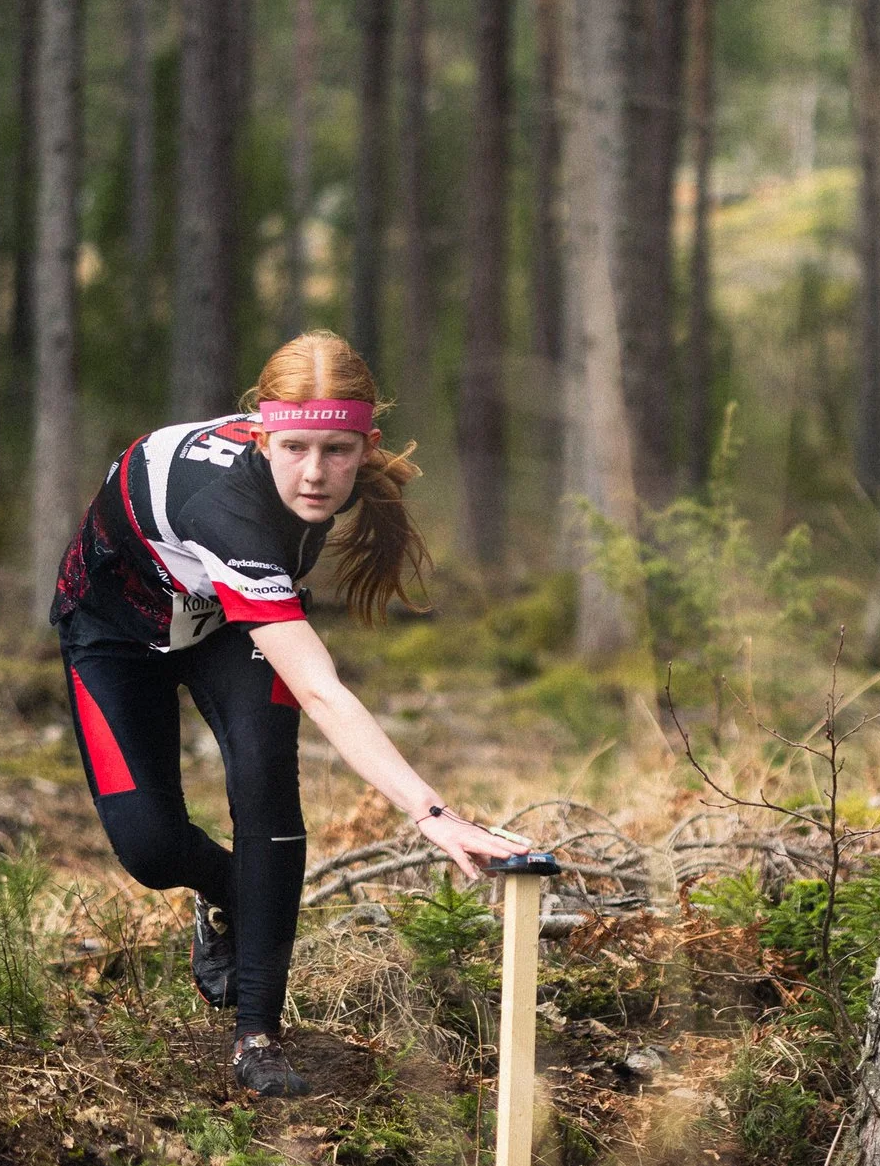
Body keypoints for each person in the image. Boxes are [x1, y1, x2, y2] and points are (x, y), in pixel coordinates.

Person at [48, 330, 528, 1097]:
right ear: (263, 435)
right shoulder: (227, 506)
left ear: (366, 446)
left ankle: (256, 1035)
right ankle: (230, 893)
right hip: (113, 632)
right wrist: (432, 813)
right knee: (149, 847)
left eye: (337, 450)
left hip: (221, 628)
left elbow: (306, 677)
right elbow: (323, 690)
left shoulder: (316, 483)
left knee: (268, 782)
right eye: (296, 447)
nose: (314, 473)